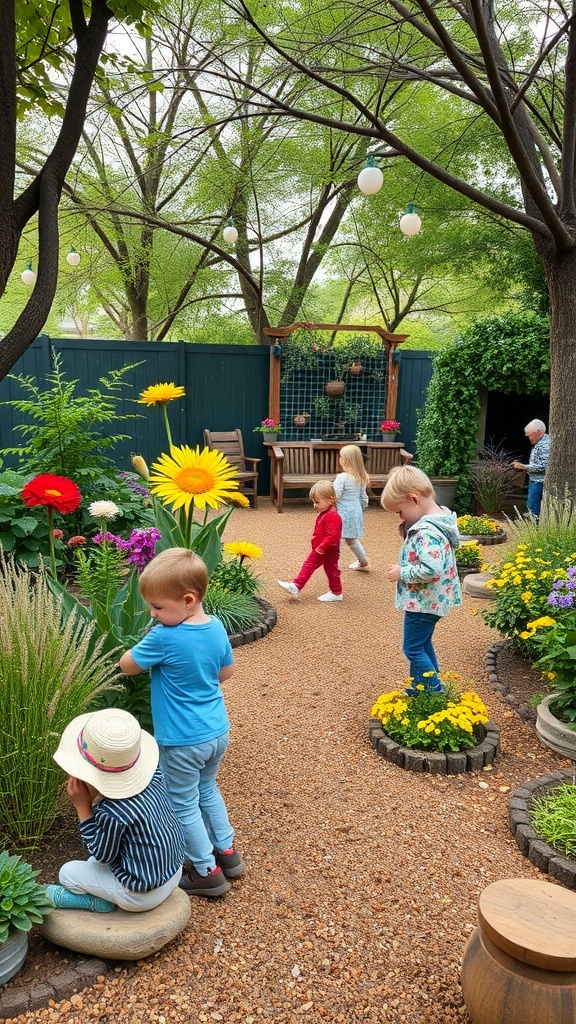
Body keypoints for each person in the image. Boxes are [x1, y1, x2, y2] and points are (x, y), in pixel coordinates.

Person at [119, 547, 244, 899]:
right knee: (208, 790)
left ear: (188, 600)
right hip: (216, 730)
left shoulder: (164, 637)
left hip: (182, 739)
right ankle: (228, 853)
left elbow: (128, 665)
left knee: (183, 803)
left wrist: (137, 646)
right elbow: (226, 672)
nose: (152, 613)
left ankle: (206, 870)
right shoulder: (216, 626)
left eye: (158, 607)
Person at [47, 707, 185, 913]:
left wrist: (83, 808)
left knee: (68, 873)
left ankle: (99, 904)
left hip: (140, 894)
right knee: (95, 862)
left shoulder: (113, 813)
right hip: (173, 872)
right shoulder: (154, 778)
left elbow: (102, 855)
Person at [381, 465, 461, 694]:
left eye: (400, 511)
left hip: (423, 601)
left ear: (414, 499)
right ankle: (419, 688)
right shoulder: (440, 519)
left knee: (412, 648)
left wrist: (401, 572)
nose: (400, 517)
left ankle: (434, 691)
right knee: (422, 644)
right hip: (433, 600)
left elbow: (430, 569)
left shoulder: (426, 531)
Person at [277, 479, 343, 602]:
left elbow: (332, 535)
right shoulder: (327, 513)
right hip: (323, 548)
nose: (314, 505)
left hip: (325, 549)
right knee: (324, 568)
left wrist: (321, 547)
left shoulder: (331, 516)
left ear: (330, 500)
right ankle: (334, 591)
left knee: (325, 568)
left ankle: (334, 592)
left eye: (317, 502)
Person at [334, 444, 370, 571]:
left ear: (345, 460)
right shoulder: (362, 477)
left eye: (341, 456)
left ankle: (333, 564)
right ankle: (363, 560)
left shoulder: (342, 477)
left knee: (336, 539)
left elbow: (336, 495)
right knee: (351, 539)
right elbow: (363, 498)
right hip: (355, 511)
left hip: (342, 512)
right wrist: (359, 510)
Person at [513, 418, 550, 517]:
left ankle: (535, 528)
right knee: (532, 508)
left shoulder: (544, 445)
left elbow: (544, 465)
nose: (529, 438)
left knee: (533, 509)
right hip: (536, 481)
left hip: (539, 482)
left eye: (529, 435)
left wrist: (525, 467)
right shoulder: (541, 443)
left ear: (538, 432)